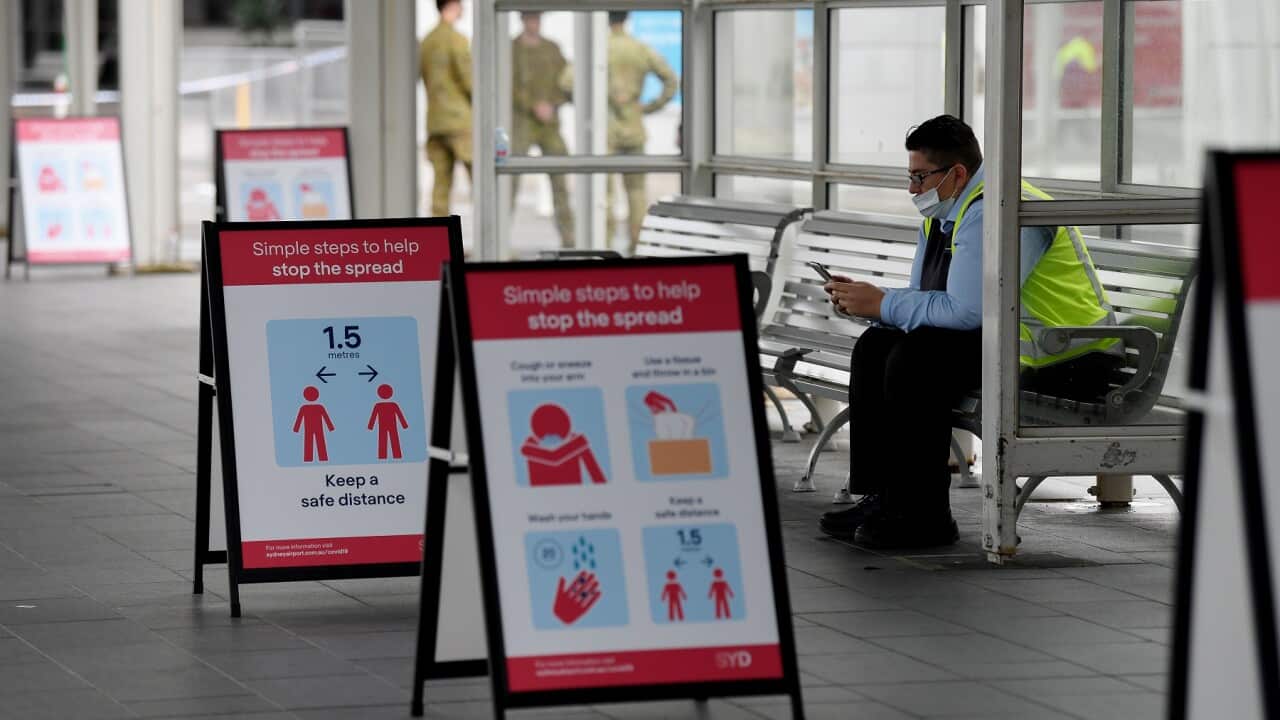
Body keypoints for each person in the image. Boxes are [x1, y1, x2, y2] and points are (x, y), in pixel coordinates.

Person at [818, 114, 1124, 549]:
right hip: (1015, 345)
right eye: (910, 177)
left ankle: (923, 516)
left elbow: (965, 311)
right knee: (878, 344)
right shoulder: (947, 211)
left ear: (956, 173)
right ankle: (885, 497)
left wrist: (883, 302)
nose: (912, 190)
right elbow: (935, 303)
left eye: (920, 177)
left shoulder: (1000, 210)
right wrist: (870, 305)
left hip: (1070, 359)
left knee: (917, 360)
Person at [605, 11, 677, 253]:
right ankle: (636, 247)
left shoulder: (599, 48)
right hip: (634, 126)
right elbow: (670, 80)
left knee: (604, 194)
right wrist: (649, 107)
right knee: (636, 192)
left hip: (607, 129)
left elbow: (567, 82)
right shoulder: (640, 48)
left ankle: (603, 246)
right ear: (626, 18)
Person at [511, 11, 575, 247]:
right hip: (522, 123)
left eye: (536, 18)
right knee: (508, 180)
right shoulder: (512, 49)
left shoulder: (552, 49)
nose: (533, 23)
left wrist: (552, 104)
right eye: (529, 18)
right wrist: (532, 105)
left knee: (560, 179)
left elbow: (566, 81)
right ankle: (498, 239)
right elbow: (504, 82)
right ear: (522, 20)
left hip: (549, 124)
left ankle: (570, 240)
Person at [420, 0, 472, 217]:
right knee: (481, 181)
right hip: (460, 122)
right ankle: (490, 240)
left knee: (440, 187)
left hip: (436, 122)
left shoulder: (427, 41)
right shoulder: (457, 40)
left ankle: (438, 244)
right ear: (451, 5)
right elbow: (469, 81)